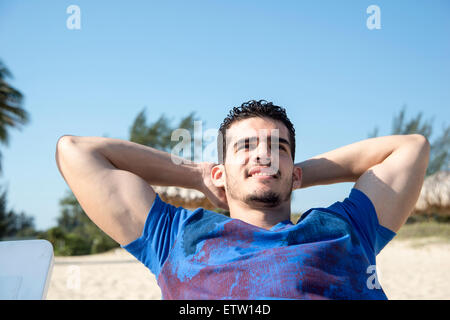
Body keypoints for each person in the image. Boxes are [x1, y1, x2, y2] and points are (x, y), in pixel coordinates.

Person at [55, 100, 430, 299]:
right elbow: (75, 151)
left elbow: (411, 149)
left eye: (277, 148)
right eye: (246, 147)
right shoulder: (174, 236)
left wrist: (293, 175)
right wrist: (199, 175)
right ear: (220, 170)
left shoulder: (347, 229)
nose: (263, 155)